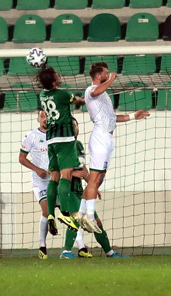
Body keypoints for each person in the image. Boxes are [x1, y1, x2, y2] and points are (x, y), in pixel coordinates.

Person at [79, 62, 149, 233]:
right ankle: (89, 217)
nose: (109, 74)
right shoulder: (91, 91)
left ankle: (80, 213)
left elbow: (112, 118)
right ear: (99, 75)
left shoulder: (104, 95)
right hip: (100, 138)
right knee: (94, 178)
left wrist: (133, 116)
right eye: (106, 72)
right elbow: (96, 91)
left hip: (108, 138)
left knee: (99, 178)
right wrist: (110, 80)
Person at [60, 118, 127, 259]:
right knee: (75, 220)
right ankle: (66, 252)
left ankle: (110, 253)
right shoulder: (63, 146)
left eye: (75, 125)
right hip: (68, 191)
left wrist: (93, 185)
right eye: (71, 125)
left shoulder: (78, 145)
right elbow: (52, 171)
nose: (74, 127)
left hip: (80, 190)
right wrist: (73, 173)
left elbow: (83, 167)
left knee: (96, 222)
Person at [37, 66, 86, 235]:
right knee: (66, 175)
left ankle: (50, 214)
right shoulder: (63, 94)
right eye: (57, 75)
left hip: (51, 139)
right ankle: (65, 213)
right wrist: (89, 98)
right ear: (53, 81)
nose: (60, 75)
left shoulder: (43, 95)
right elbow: (79, 101)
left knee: (54, 177)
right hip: (65, 138)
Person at [19, 111, 55, 258]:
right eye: (42, 116)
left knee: (69, 210)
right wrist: (37, 169)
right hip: (39, 180)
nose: (45, 118)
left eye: (47, 115)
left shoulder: (56, 135)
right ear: (38, 119)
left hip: (55, 178)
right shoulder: (31, 136)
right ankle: (42, 246)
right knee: (46, 210)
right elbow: (21, 158)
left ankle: (78, 247)